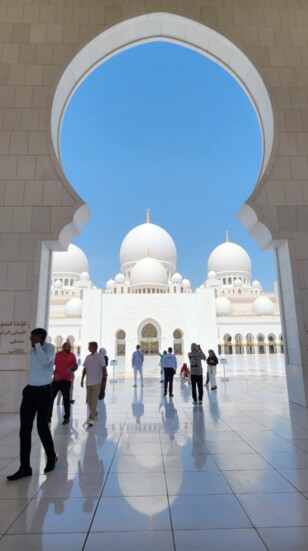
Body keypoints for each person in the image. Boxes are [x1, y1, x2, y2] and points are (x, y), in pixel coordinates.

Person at [7, 328, 58, 481]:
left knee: (42, 427)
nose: (30, 340)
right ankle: (25, 467)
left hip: (44, 392)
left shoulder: (50, 348)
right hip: (30, 391)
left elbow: (44, 362)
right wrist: (35, 346)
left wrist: (37, 345)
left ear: (40, 337)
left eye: (32, 337)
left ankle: (51, 457)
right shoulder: (32, 350)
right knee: (24, 430)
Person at [49, 341, 78, 425]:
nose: (70, 348)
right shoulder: (57, 355)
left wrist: (72, 369)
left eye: (70, 346)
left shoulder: (72, 355)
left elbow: (75, 366)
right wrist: (54, 373)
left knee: (66, 399)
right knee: (50, 398)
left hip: (66, 380)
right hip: (56, 380)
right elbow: (50, 365)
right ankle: (48, 417)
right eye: (68, 346)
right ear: (63, 347)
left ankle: (67, 417)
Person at [81, 342, 107, 426]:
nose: (88, 348)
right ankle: (95, 413)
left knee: (94, 400)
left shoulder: (100, 357)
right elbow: (85, 369)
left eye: (90, 346)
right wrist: (82, 379)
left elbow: (103, 368)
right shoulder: (88, 357)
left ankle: (91, 418)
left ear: (94, 347)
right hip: (88, 382)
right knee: (88, 400)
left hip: (97, 382)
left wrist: (104, 379)